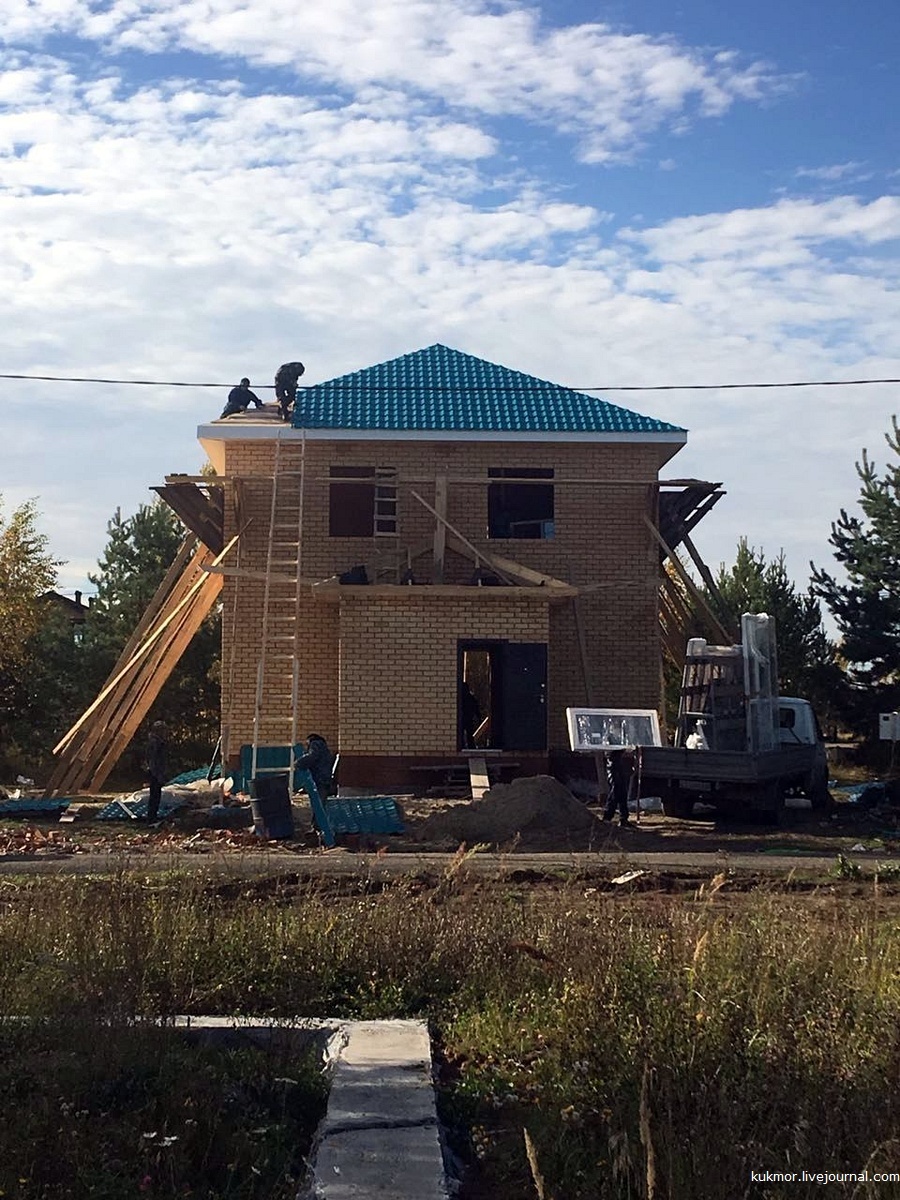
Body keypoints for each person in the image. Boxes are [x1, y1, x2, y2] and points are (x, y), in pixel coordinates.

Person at [294, 733, 336, 798]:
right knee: (321, 800)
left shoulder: (315, 744)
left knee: (318, 799)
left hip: (319, 777)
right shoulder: (324, 749)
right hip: (324, 777)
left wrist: (298, 762)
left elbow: (313, 756)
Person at [602, 748, 633, 826]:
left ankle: (623, 818)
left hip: (618, 762)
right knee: (616, 790)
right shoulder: (610, 738)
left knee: (622, 791)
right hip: (613, 763)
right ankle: (607, 817)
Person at [146, 720, 167, 823]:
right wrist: (157, 774)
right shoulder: (155, 742)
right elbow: (154, 759)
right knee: (154, 795)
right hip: (155, 771)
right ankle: (151, 818)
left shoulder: (156, 741)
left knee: (155, 795)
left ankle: (153, 816)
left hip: (155, 771)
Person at [460, 680, 482, 748]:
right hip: (468, 718)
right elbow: (476, 708)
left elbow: (475, 708)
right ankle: (470, 746)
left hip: (464, 718)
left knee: (464, 734)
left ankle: (464, 746)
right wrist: (479, 717)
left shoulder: (461, 698)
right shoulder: (470, 697)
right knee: (469, 734)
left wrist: (479, 717)